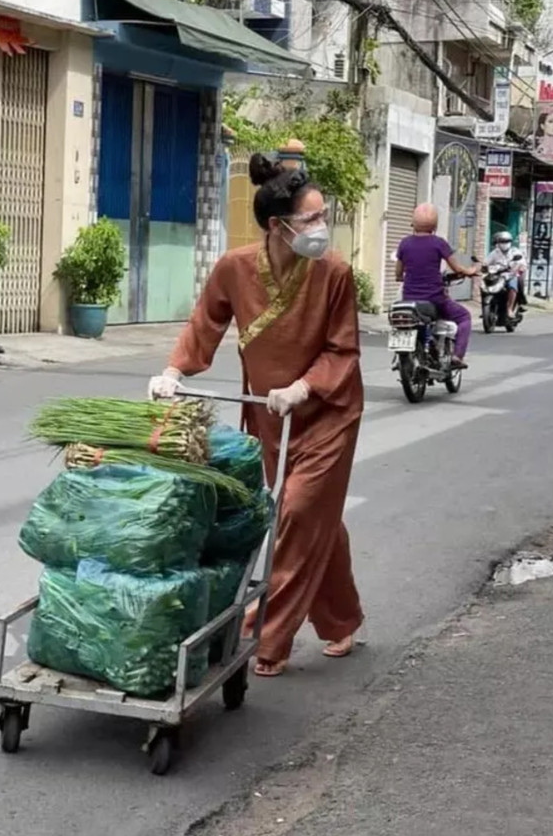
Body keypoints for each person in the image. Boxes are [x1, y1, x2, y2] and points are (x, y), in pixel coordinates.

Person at [148, 154, 364, 678]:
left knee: (295, 511)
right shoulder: (235, 268)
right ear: (276, 226)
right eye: (311, 220)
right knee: (315, 521)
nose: (321, 228)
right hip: (270, 416)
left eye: (322, 216)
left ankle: (266, 637)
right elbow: (206, 323)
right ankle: (341, 620)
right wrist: (173, 371)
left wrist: (303, 386)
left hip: (327, 409)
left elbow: (343, 351)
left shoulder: (334, 273)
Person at [395, 203, 477, 369]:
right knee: (464, 317)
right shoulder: (439, 243)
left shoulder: (404, 244)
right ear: (435, 225)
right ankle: (457, 356)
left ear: (414, 223)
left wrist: (400, 277)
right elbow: (457, 268)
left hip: (409, 299)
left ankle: (417, 351)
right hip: (435, 299)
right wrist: (470, 271)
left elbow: (398, 272)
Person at [485, 230, 527, 317]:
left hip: (511, 275)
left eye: (507, 241)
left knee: (512, 287)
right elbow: (486, 263)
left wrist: (518, 269)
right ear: (498, 242)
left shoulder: (515, 252)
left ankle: (509, 308)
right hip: (497, 275)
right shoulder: (494, 253)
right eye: (502, 241)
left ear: (510, 242)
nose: (504, 243)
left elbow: (522, 264)